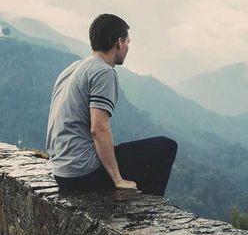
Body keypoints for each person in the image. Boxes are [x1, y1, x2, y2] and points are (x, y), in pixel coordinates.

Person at [46, 14, 177, 196]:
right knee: (166, 147)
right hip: (82, 173)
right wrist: (118, 179)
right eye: (128, 42)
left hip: (62, 171)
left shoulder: (73, 68)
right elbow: (98, 128)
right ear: (118, 42)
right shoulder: (103, 71)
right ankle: (150, 211)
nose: (128, 47)